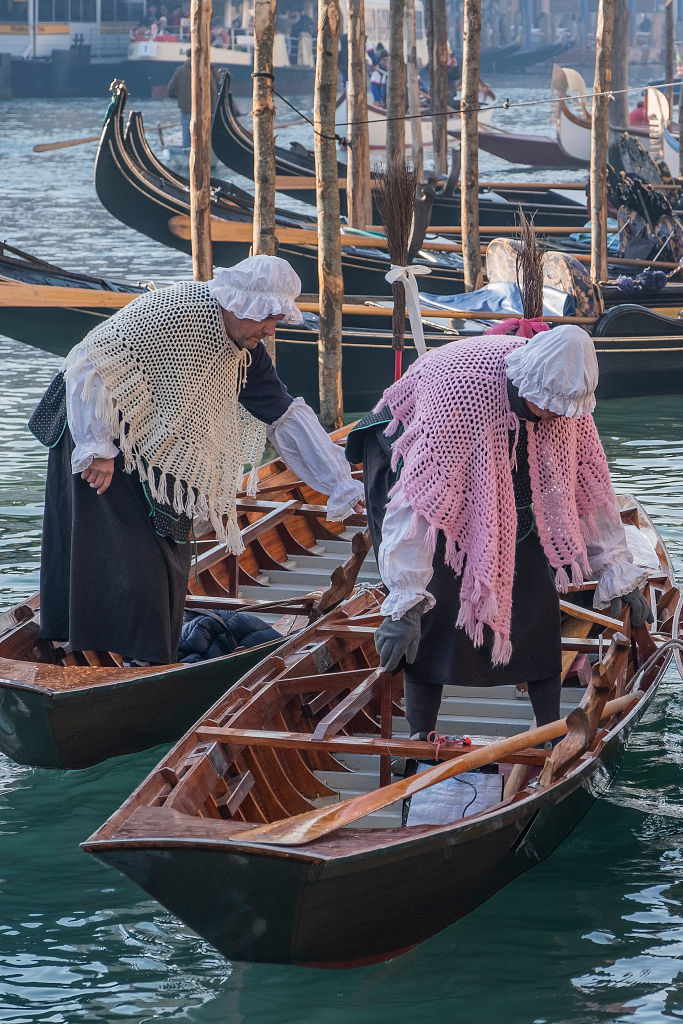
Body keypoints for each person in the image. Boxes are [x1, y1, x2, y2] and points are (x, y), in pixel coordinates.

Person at [32, 256, 364, 668]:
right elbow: (89, 361)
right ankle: (131, 655)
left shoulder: (245, 351)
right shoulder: (174, 311)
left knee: (165, 546)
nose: (270, 330)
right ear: (239, 305)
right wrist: (96, 448)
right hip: (90, 420)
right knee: (126, 550)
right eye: (267, 319)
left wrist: (341, 485)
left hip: (143, 438)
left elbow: (284, 415)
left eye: (276, 320)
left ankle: (148, 655)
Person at [356, 326, 652, 742]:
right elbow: (417, 505)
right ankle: (420, 740)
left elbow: (592, 487)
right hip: (407, 446)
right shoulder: (459, 396)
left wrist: (616, 572)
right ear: (524, 383)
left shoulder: (566, 402)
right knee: (438, 592)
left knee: (533, 587)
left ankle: (547, 732)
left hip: (502, 440)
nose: (556, 417)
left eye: (563, 411)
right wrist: (403, 603)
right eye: (548, 407)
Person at [167, 52, 218, 148]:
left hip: (185, 109)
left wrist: (179, 98)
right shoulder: (205, 70)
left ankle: (187, 155)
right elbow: (213, 91)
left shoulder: (180, 71)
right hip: (202, 110)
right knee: (203, 135)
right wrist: (212, 108)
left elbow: (170, 90)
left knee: (186, 136)